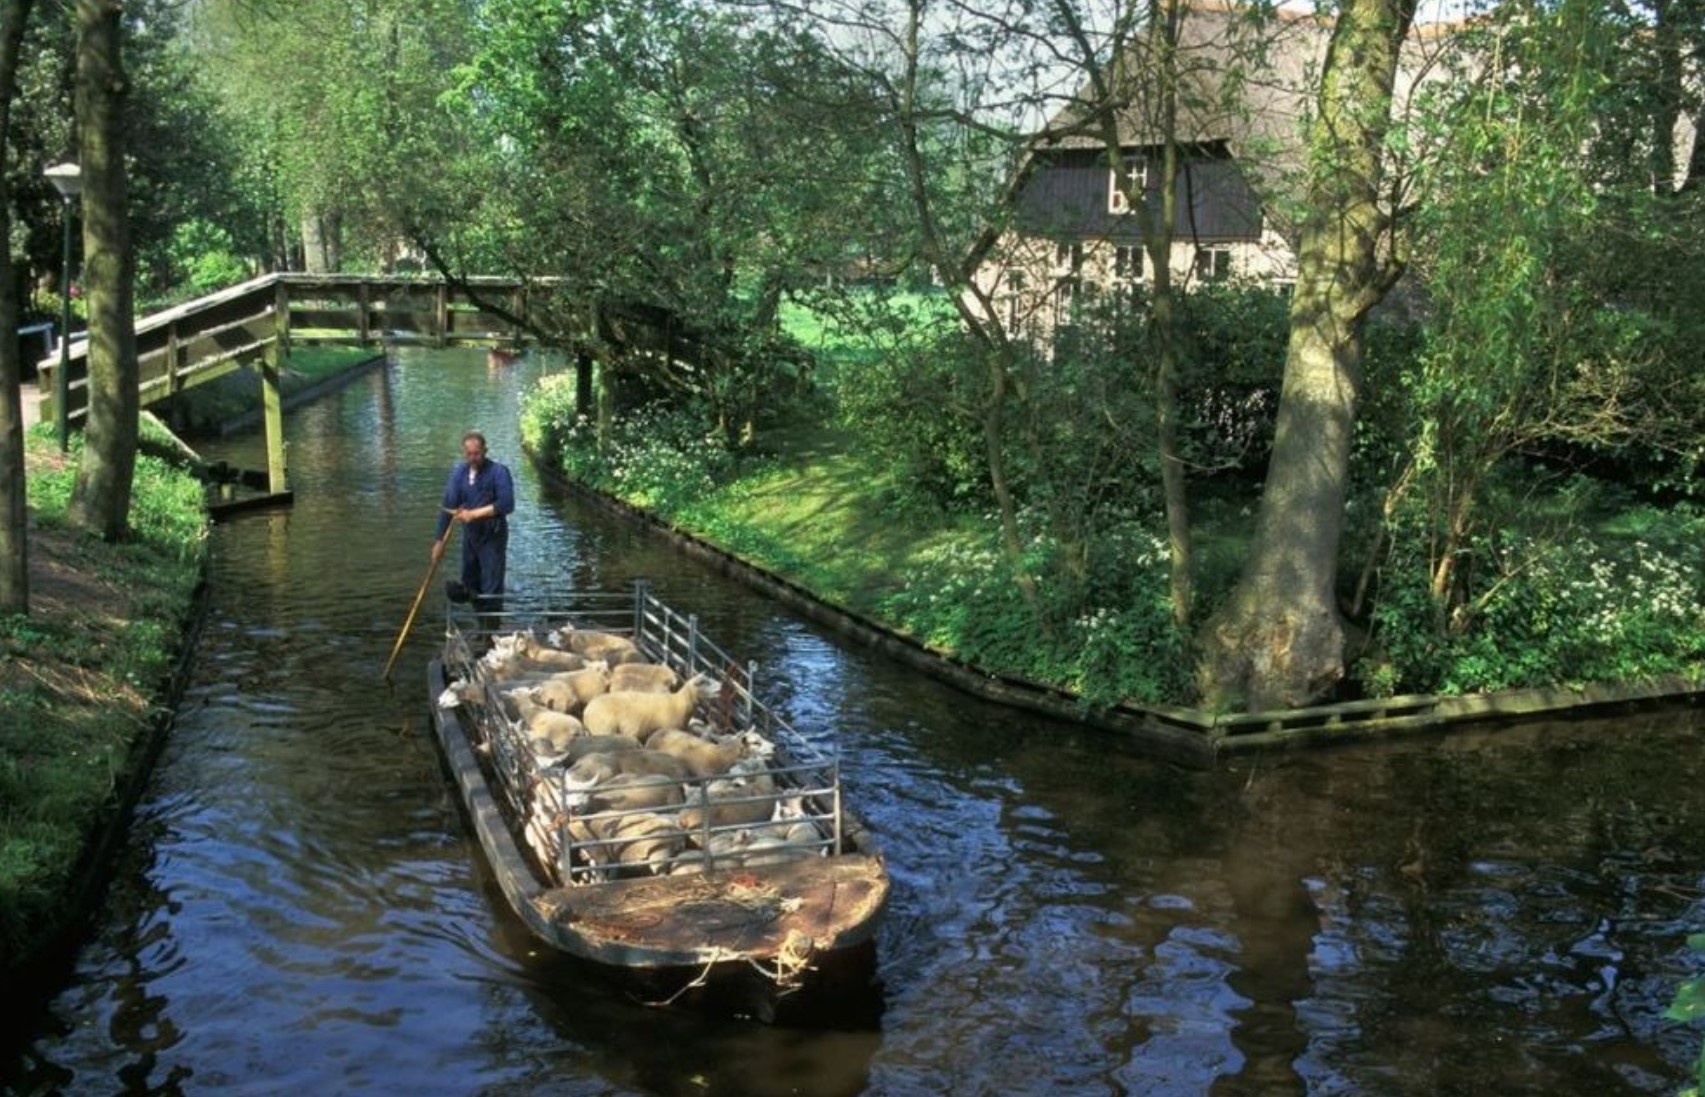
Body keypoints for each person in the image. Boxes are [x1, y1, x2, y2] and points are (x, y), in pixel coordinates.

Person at [432, 430, 515, 611]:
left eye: (476, 454)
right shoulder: (459, 473)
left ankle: (490, 633)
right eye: (468, 454)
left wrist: (474, 514)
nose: (472, 458)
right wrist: (439, 542)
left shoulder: (499, 472)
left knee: (491, 585)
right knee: (470, 582)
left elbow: (507, 504)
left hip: (493, 535)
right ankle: (481, 627)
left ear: (485, 451)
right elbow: (448, 507)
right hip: (471, 536)